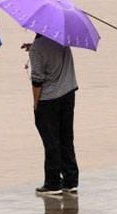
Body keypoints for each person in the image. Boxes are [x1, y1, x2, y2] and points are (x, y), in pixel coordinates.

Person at [23, 33, 79, 196]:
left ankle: (53, 183)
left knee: (51, 141)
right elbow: (53, 54)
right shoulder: (62, 39)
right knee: (66, 137)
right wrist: (33, 49)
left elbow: (37, 81)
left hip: (49, 99)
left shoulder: (38, 48)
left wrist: (36, 104)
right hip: (69, 93)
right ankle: (71, 181)